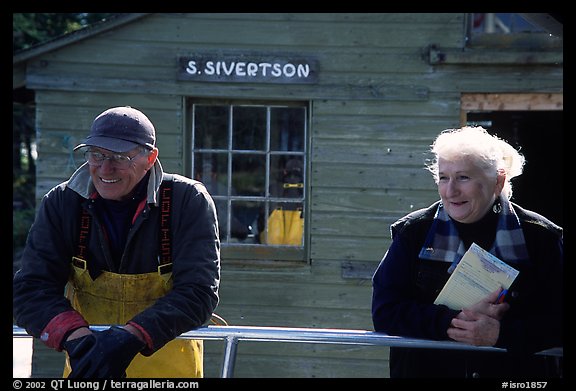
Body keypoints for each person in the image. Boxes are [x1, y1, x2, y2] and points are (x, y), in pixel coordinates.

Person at [13, 106, 221, 378]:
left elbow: (199, 292)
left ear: (151, 157)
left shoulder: (187, 201)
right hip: (89, 365)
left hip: (171, 369)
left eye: (120, 157)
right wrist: (77, 340)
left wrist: (131, 338)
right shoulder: (63, 202)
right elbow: (30, 289)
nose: (105, 168)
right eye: (96, 154)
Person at [371, 126, 563, 378]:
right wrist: (452, 322)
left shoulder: (540, 237)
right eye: (443, 178)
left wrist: (501, 334)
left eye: (463, 177)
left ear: (498, 181)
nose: (450, 191)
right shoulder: (414, 232)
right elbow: (385, 311)